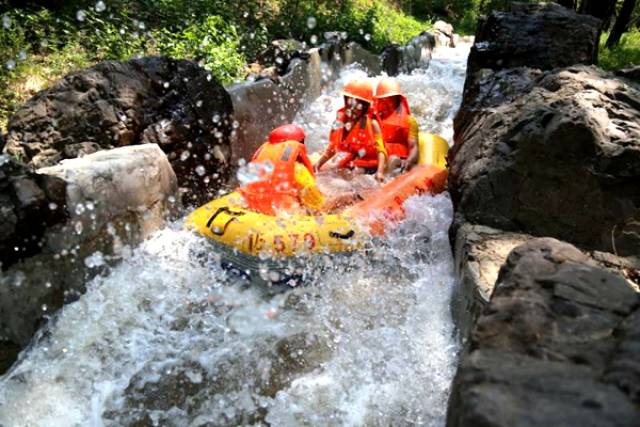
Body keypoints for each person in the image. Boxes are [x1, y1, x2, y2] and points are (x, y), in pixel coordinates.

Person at [239, 124, 354, 215]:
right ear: (300, 144)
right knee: (347, 197)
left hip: (257, 208)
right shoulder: (299, 171)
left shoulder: (263, 163)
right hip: (287, 217)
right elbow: (320, 207)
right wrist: (345, 197)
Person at [313, 79, 387, 182]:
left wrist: (380, 172)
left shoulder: (373, 123)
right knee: (330, 171)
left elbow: (381, 150)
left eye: (358, 105)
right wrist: (319, 164)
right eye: (350, 102)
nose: (353, 108)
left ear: (365, 106)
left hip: (369, 163)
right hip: (353, 160)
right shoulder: (343, 121)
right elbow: (333, 146)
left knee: (354, 174)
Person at [374, 77, 420, 172]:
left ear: (397, 100)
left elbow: (414, 147)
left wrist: (409, 161)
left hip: (399, 162)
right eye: (382, 99)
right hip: (378, 162)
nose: (385, 103)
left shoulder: (410, 121)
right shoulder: (373, 120)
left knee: (393, 159)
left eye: (389, 99)